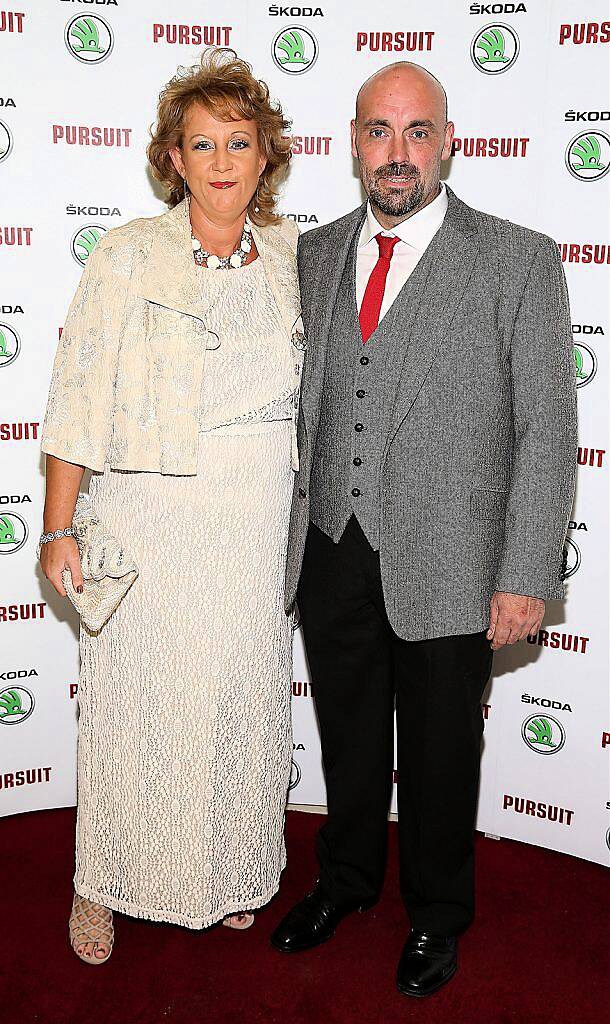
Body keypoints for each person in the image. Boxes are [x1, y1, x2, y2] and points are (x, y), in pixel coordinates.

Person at [272, 62, 577, 998]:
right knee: (348, 736)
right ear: (352, 142)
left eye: (416, 132)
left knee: (444, 750)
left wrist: (526, 570)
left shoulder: (519, 258)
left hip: (455, 556)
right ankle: (349, 879)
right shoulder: (313, 253)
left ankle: (438, 915)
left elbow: (547, 425)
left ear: (449, 141)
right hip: (331, 542)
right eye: (378, 131)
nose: (396, 153)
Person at [39, 47, 304, 964]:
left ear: (265, 154)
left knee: (234, 702)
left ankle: (229, 871)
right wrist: (59, 522)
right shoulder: (126, 255)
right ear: (174, 158)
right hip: (152, 518)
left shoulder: (296, 257)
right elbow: (79, 395)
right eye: (203, 143)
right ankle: (101, 883)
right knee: (134, 706)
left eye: (240, 141)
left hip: (254, 521)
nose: (223, 160)